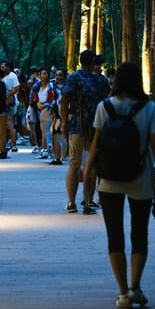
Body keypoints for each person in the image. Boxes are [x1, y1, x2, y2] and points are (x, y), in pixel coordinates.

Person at [84, 61, 155, 309]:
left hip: (109, 180)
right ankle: (135, 287)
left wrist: (88, 173)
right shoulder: (149, 108)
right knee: (139, 233)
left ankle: (122, 292)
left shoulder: (105, 107)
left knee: (115, 236)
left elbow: (96, 143)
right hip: (140, 177)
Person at [60, 49, 111, 214]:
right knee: (92, 163)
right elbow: (106, 102)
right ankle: (88, 200)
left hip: (77, 124)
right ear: (94, 62)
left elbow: (64, 101)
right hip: (96, 127)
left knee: (74, 163)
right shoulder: (101, 81)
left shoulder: (74, 77)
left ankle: (71, 201)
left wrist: (63, 122)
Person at [32, 67, 57, 161]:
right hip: (40, 109)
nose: (42, 75)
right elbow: (35, 97)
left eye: (45, 73)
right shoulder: (37, 87)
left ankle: (49, 150)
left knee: (47, 130)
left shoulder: (51, 86)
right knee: (43, 131)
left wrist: (47, 105)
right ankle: (44, 150)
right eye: (41, 74)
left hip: (48, 109)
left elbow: (53, 98)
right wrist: (37, 103)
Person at [1, 62, 21, 152]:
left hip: (11, 103)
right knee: (4, 124)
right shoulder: (2, 76)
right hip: (3, 102)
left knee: (10, 123)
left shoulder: (12, 76)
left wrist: (8, 95)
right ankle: (7, 143)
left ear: (8, 67)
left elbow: (16, 88)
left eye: (4, 67)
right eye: (1, 67)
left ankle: (13, 144)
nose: (2, 68)